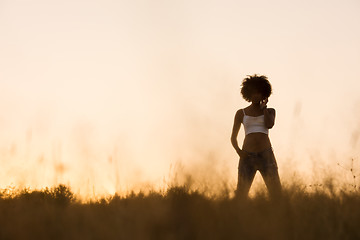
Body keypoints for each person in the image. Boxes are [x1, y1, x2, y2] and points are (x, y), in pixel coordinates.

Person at [231, 74, 281, 199]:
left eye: (258, 93)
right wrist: (239, 151)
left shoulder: (270, 111)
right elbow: (233, 137)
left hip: (266, 155)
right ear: (248, 94)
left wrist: (264, 109)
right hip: (247, 156)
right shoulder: (240, 113)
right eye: (253, 93)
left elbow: (269, 125)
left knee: (276, 194)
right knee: (241, 194)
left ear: (264, 94)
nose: (255, 96)